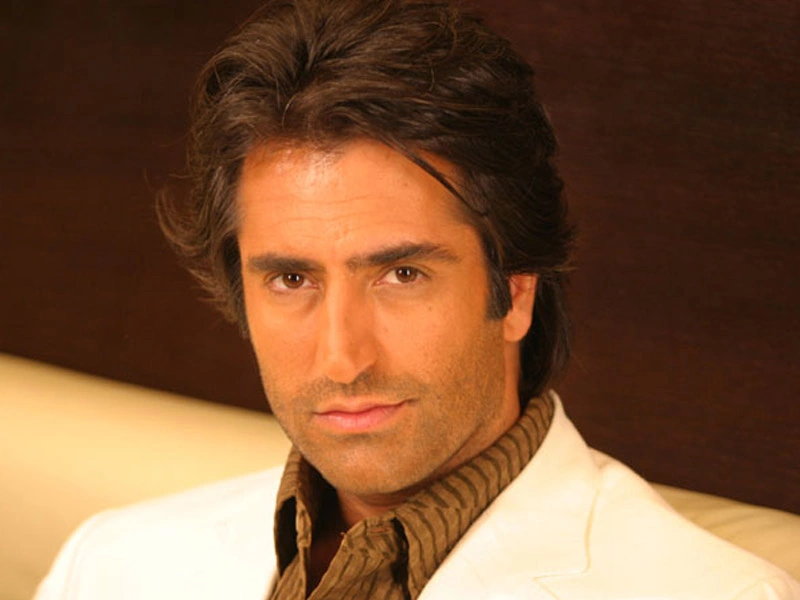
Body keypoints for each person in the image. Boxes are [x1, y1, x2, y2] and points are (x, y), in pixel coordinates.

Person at [35, 0, 800, 598]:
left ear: (516, 289)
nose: (343, 359)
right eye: (292, 279)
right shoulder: (108, 565)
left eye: (402, 274)